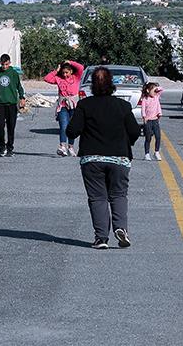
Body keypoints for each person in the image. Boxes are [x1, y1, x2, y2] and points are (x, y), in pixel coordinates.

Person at [66, 67, 141, 249]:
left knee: (98, 198)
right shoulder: (122, 106)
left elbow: (72, 131)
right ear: (111, 84)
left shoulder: (85, 105)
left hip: (92, 158)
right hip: (119, 158)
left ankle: (101, 238)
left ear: (92, 85)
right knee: (118, 195)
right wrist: (125, 144)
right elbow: (135, 131)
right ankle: (121, 228)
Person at [0, 54, 25, 157]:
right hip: (0, 104)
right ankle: (2, 146)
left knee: (11, 126)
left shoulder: (13, 73)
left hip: (11, 104)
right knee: (0, 126)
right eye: (3, 64)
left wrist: (22, 98)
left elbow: (19, 87)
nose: (4, 67)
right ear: (0, 63)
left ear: (9, 63)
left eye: (6, 64)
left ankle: (10, 147)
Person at [43, 60, 85, 157]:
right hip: (63, 106)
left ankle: (70, 146)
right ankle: (62, 146)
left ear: (71, 71)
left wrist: (70, 62)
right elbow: (47, 78)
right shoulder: (58, 78)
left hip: (74, 106)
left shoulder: (76, 77)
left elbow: (81, 68)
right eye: (63, 72)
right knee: (64, 126)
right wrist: (56, 71)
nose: (65, 75)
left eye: (67, 72)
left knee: (72, 127)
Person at [140, 82, 164, 161]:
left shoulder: (156, 97)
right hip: (148, 120)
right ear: (148, 90)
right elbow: (143, 109)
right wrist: (144, 117)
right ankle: (146, 154)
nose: (155, 92)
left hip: (155, 120)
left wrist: (156, 89)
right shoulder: (145, 99)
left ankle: (156, 152)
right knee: (148, 137)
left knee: (158, 137)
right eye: (153, 90)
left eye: (155, 91)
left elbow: (162, 89)